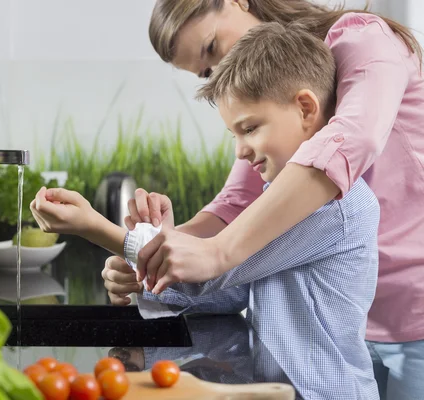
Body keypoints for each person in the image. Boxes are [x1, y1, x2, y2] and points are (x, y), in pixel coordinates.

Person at [31, 22, 380, 399]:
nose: (240, 151)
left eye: (249, 128)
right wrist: (148, 268)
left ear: (306, 108)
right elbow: (232, 292)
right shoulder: (274, 198)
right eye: (234, 135)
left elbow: (215, 274)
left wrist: (96, 229)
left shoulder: (334, 205)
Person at [103, 1, 424, 399]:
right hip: (345, 323)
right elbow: (237, 204)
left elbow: (353, 137)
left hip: (416, 307)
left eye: (211, 48)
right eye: (207, 71)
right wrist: (155, 252)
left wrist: (217, 253)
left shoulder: (362, 40)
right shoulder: (274, 105)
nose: (219, 69)